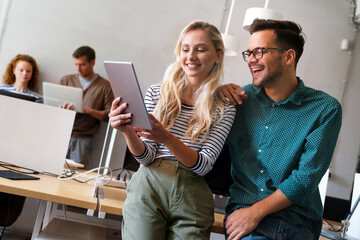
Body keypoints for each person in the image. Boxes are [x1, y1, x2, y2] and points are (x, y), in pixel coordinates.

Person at [109, 20, 236, 239]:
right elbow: (146, 158)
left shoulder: (224, 106)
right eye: (185, 49)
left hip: (192, 195)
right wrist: (127, 131)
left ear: (218, 55)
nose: (191, 56)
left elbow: (204, 165)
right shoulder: (156, 94)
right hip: (148, 187)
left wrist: (167, 138)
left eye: (201, 49)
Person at [218, 19, 342, 240]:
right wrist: (213, 94)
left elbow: (305, 178)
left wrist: (255, 212)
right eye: (249, 54)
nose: (251, 61)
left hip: (293, 222)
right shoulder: (239, 100)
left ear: (288, 56)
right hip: (242, 219)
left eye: (259, 52)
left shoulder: (324, 109)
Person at [60, 46, 114, 168]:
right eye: (76, 64)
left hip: (84, 138)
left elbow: (109, 115)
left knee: (76, 174)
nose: (78, 68)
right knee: (52, 168)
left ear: (92, 62)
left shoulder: (105, 86)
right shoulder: (66, 80)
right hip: (61, 133)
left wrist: (87, 110)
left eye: (82, 64)